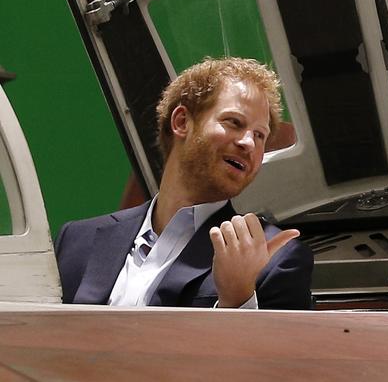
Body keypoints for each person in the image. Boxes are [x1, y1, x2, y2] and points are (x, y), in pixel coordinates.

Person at [55, 57, 313, 309]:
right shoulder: (77, 240)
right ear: (181, 122)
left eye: (260, 135)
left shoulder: (275, 257)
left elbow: (273, 353)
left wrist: (237, 301)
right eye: (234, 122)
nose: (249, 143)